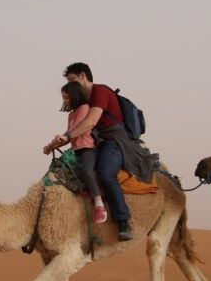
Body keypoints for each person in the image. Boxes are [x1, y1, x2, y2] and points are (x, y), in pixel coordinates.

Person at [47, 63, 154, 241]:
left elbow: (90, 122)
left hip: (115, 140)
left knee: (105, 173)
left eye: (72, 80)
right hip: (98, 141)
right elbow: (78, 128)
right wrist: (53, 144)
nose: (71, 86)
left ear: (83, 76)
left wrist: (67, 136)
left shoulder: (100, 92)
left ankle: (123, 221)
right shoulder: (83, 102)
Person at [43, 81, 107, 224]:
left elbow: (74, 131)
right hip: (76, 150)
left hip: (87, 148)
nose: (64, 100)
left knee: (87, 171)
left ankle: (99, 205)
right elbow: (68, 135)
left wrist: (62, 138)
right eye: (63, 98)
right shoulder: (71, 115)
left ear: (75, 96)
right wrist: (51, 146)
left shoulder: (84, 108)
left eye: (66, 97)